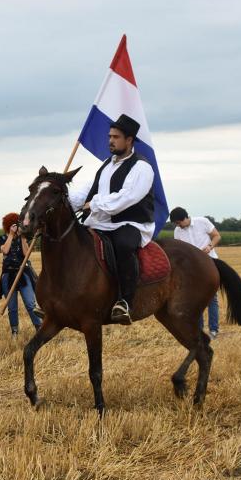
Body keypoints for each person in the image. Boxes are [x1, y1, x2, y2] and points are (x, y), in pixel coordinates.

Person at [69, 114, 155, 325]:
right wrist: (62, 197)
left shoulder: (141, 167)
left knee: (123, 245)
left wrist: (94, 204)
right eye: (109, 136)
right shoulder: (107, 165)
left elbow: (127, 197)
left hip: (130, 223)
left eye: (116, 137)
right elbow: (89, 190)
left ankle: (125, 301)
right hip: (102, 222)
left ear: (129, 140)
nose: (110, 141)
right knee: (73, 242)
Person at [170, 207, 222, 338]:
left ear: (185, 218)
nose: (178, 226)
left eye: (178, 223)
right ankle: (199, 331)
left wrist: (209, 247)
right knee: (195, 299)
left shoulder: (202, 222)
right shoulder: (177, 231)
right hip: (192, 269)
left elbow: (217, 236)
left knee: (212, 299)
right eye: (176, 224)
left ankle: (214, 330)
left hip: (210, 263)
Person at [0, 212, 42, 339]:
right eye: (13, 225)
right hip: (8, 276)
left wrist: (23, 237)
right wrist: (11, 235)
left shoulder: (23, 238)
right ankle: (15, 332)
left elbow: (27, 254)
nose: (16, 227)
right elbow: (5, 250)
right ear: (8, 226)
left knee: (30, 303)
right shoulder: (3, 238)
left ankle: (39, 328)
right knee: (12, 307)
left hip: (23, 274)